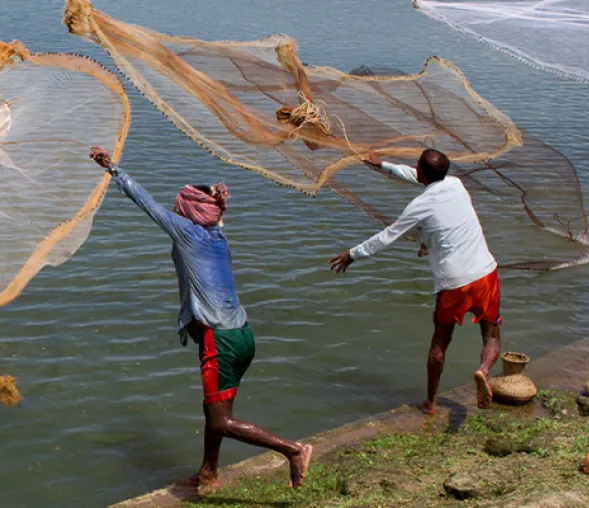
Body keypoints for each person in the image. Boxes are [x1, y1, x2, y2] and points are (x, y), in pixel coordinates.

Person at [88, 147, 312, 492]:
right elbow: (209, 218)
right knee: (215, 414)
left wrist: (112, 168)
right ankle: (208, 472)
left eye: (180, 206)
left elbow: (147, 204)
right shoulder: (217, 236)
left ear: (189, 211)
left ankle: (293, 450)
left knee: (221, 421)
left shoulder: (187, 232)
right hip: (240, 335)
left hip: (219, 339)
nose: (176, 209)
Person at [328, 149, 502, 415]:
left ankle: (431, 403)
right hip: (485, 273)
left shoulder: (419, 206)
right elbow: (417, 177)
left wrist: (353, 253)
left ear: (421, 171)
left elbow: (388, 235)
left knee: (440, 343)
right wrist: (384, 165)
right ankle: (483, 370)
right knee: (491, 337)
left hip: (453, 282)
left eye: (417, 166)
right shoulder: (456, 184)